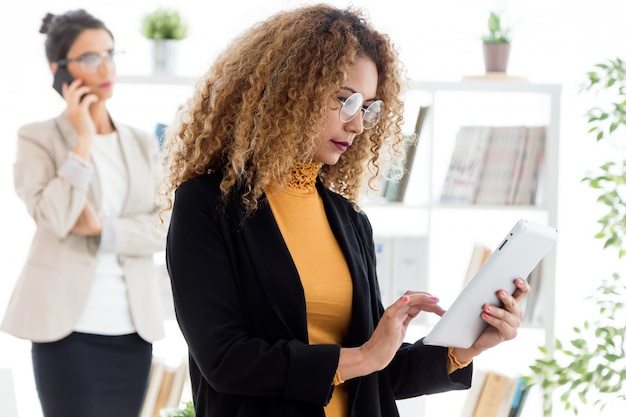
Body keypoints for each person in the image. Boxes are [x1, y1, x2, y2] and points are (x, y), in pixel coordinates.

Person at [162, 4, 529, 417]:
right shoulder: (208, 205)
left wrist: (464, 348)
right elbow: (226, 361)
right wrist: (365, 358)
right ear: (290, 90)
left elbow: (376, 372)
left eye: (368, 107)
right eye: (345, 100)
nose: (357, 125)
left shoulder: (349, 220)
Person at [1, 9, 166, 417]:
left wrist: (103, 230)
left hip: (132, 331)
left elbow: (164, 227)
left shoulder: (143, 143)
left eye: (110, 53)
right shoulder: (37, 137)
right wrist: (83, 141)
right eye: (90, 58)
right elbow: (55, 217)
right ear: (59, 70)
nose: (105, 66)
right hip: (67, 333)